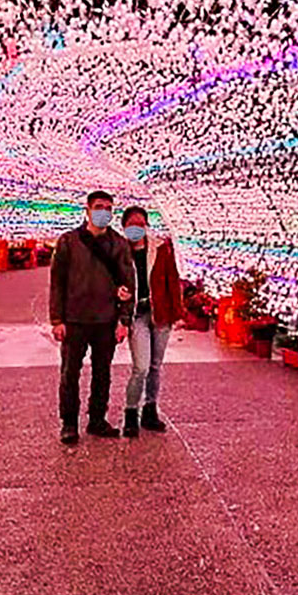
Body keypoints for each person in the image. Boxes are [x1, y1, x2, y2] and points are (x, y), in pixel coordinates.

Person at [49, 190, 136, 444]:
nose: (104, 212)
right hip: (74, 320)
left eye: (108, 208)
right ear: (87, 210)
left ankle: (97, 419)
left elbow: (128, 284)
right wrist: (57, 319)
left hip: (106, 321)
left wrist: (124, 320)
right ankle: (69, 423)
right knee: (69, 374)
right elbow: (57, 283)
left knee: (102, 373)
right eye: (99, 207)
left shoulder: (118, 244)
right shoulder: (68, 242)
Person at [120, 206, 184, 437]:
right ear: (124, 227)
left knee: (156, 366)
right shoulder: (119, 252)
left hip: (160, 314)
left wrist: (178, 312)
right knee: (141, 367)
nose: (136, 228)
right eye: (131, 224)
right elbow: (111, 280)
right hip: (136, 315)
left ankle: (150, 410)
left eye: (140, 223)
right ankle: (130, 413)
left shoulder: (160, 248)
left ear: (146, 225)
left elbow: (172, 279)